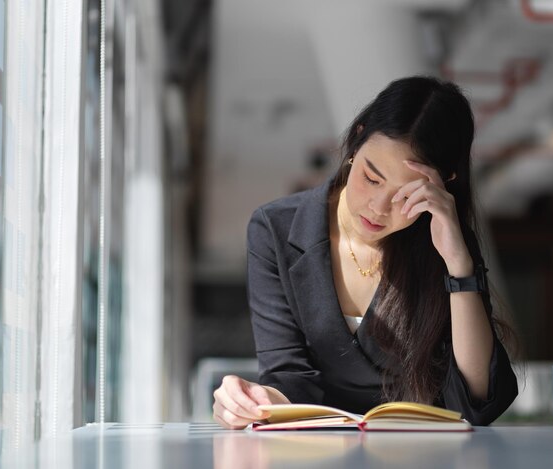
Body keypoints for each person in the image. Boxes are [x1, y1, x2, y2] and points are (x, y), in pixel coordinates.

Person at [213, 76, 518, 430]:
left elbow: (477, 400)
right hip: (316, 451)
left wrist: (458, 263)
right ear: (356, 141)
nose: (378, 207)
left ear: (444, 183)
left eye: (406, 196)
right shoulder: (275, 230)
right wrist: (253, 400)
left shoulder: (445, 241)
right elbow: (288, 376)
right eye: (371, 178)